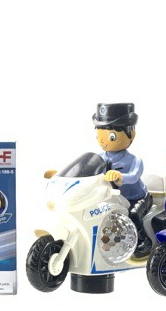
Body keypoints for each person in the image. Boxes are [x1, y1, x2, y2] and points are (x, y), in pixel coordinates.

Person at [45, 103, 152, 256]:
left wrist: (120, 177)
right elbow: (85, 172)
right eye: (99, 136)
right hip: (113, 197)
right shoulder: (99, 157)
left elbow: (134, 176)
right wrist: (62, 176)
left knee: (133, 214)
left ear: (131, 134)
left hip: (136, 198)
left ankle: (143, 242)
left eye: (111, 136)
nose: (103, 141)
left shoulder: (134, 160)